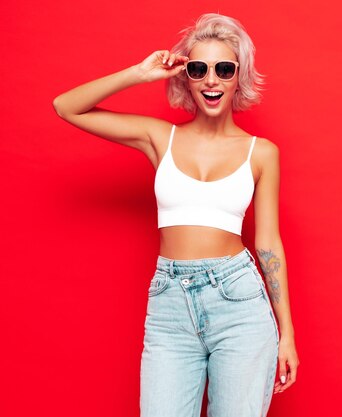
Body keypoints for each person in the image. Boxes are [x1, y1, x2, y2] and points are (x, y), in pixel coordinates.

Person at [52, 12, 299, 417]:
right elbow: (66, 107)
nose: (212, 80)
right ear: (186, 77)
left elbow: (269, 243)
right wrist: (139, 72)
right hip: (170, 303)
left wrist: (286, 333)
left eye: (224, 69)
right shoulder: (159, 138)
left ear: (239, 77)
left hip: (239, 302)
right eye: (199, 69)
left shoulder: (262, 153)